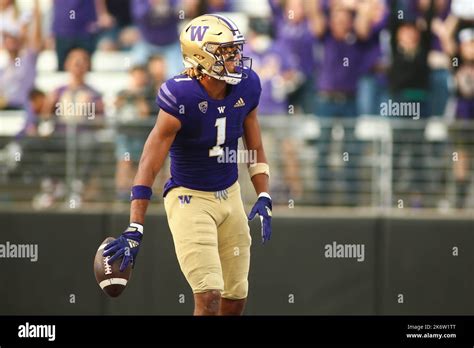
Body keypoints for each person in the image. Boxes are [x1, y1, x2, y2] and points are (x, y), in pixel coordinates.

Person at [103, 14, 272, 316]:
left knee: (235, 299)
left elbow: (255, 146)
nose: (236, 58)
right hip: (189, 198)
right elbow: (149, 163)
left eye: (236, 50)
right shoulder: (181, 95)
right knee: (209, 298)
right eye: (226, 52)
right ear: (202, 56)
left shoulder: (247, 86)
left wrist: (263, 194)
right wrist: (135, 225)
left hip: (230, 194)